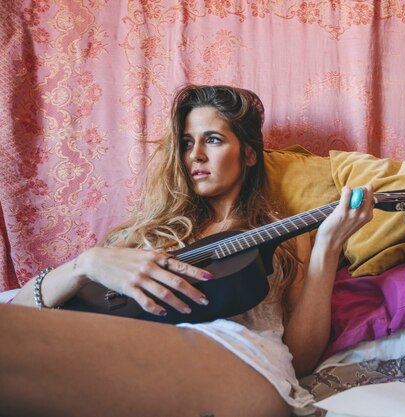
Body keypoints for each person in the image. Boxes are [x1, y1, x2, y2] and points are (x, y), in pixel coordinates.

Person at [0, 85, 374, 417]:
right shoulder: (143, 233)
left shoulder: (283, 234)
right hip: (138, 349)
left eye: (212, 139)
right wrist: (86, 264)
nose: (195, 154)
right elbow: (21, 310)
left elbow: (303, 358)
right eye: (185, 142)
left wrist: (328, 245)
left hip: (239, 360)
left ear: (248, 154)